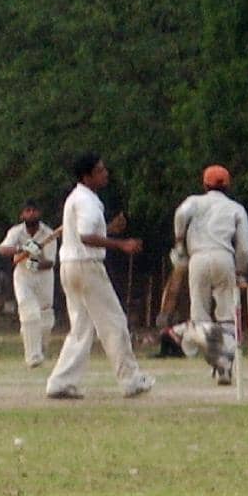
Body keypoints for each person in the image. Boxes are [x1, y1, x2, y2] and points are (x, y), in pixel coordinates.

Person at [44, 153, 154, 401]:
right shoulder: (88, 201)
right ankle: (130, 380)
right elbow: (86, 237)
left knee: (81, 328)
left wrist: (109, 229)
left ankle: (61, 382)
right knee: (114, 321)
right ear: (87, 176)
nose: (106, 174)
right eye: (100, 170)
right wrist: (122, 244)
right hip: (87, 266)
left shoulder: (77, 197)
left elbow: (85, 232)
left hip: (70, 266)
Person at [171, 164, 248, 385]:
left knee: (200, 316)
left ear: (205, 185)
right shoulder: (236, 208)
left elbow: (180, 214)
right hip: (224, 258)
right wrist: (240, 270)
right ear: (228, 186)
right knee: (228, 317)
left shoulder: (195, 202)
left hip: (198, 258)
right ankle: (224, 366)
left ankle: (187, 331)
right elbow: (244, 248)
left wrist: (179, 241)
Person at [0, 200, 58, 367]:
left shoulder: (49, 233)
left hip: (44, 278)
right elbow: (2, 249)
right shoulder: (16, 231)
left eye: (34, 210)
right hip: (23, 277)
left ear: (39, 213)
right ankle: (33, 357)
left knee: (45, 319)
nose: (31, 214)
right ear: (22, 215)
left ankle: (40, 349)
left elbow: (49, 263)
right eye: (28, 211)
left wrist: (32, 262)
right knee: (29, 314)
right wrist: (22, 248)